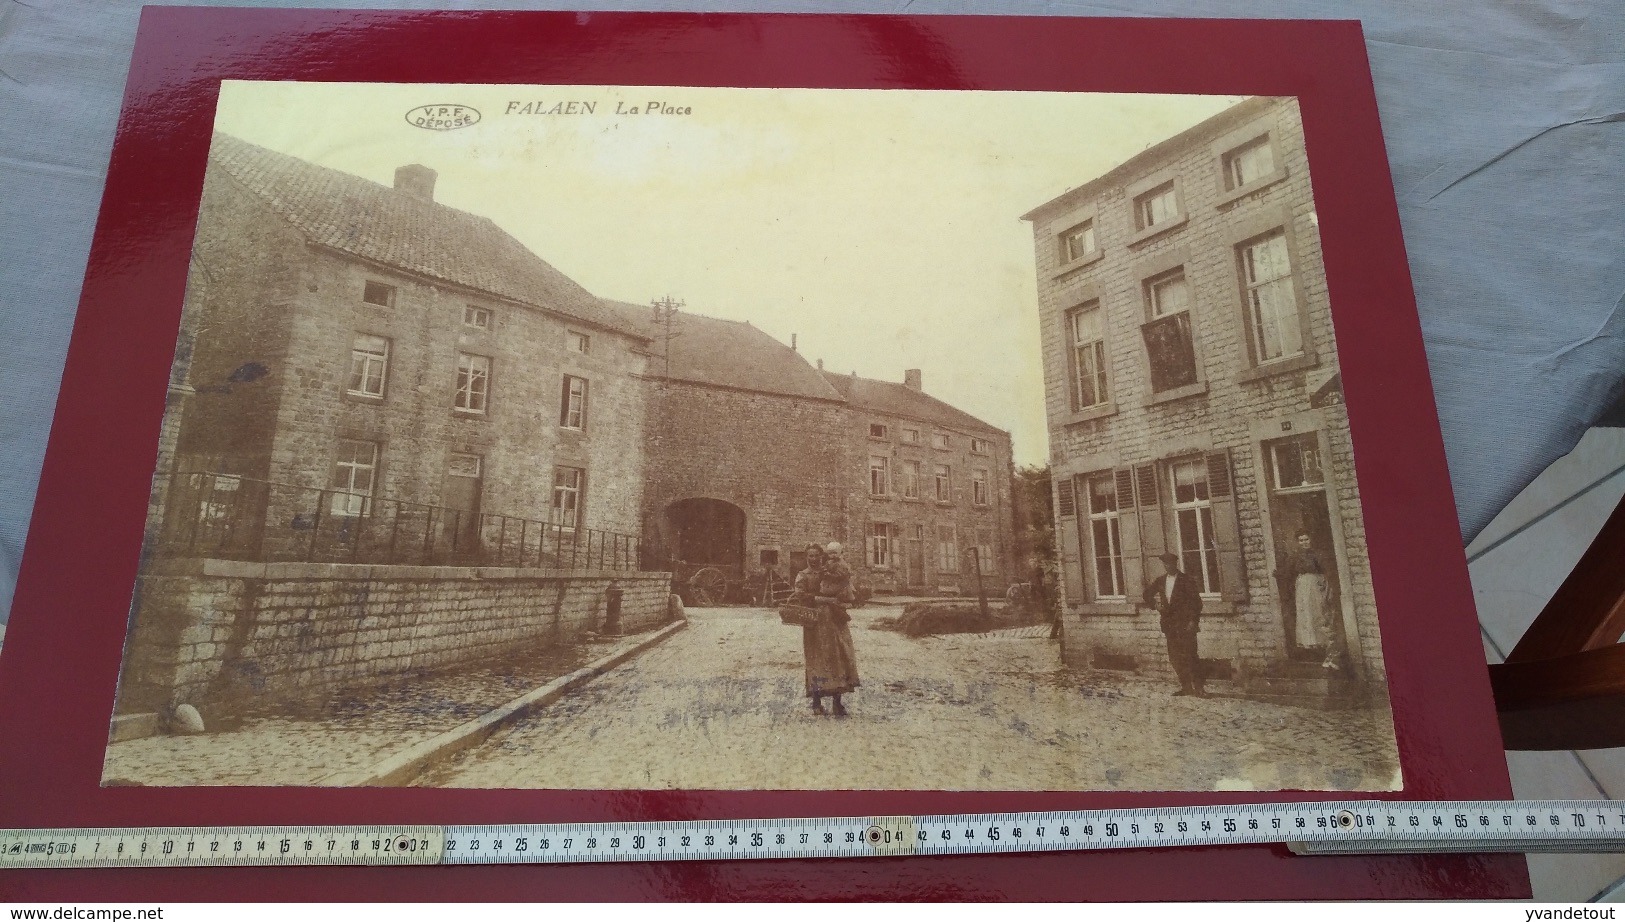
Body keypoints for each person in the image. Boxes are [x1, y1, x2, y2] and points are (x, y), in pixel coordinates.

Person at [791, 541, 860, 716]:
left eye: (816, 555)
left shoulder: (829, 572)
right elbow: (800, 596)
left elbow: (843, 586)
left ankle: (838, 702)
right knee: (816, 660)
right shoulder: (802, 575)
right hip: (814, 621)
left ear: (822, 556)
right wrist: (824, 600)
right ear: (806, 557)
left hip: (834, 620)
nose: (813, 559)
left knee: (838, 657)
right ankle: (816, 702)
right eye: (810, 556)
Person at [1142, 551, 1204, 697]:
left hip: (1185, 625)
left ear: (1175, 564)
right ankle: (1186, 687)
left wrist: (1193, 622)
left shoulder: (1186, 580)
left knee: (1191, 656)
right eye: (1164, 564)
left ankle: (1200, 688)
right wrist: (1156, 605)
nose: (1167, 566)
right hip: (1170, 626)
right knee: (1175, 657)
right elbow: (1147, 595)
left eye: (1169, 563)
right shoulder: (1161, 581)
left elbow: (1197, 604)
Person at [1277, 531, 1333, 657]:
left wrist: (1323, 581)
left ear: (1310, 539)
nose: (1304, 542)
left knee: (1317, 611)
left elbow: (1325, 569)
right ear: (1298, 542)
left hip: (1315, 584)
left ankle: (1321, 642)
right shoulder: (1295, 556)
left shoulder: (1317, 554)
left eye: (1306, 539)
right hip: (1302, 585)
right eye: (1301, 540)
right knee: (1305, 612)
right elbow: (1288, 571)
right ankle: (1309, 642)